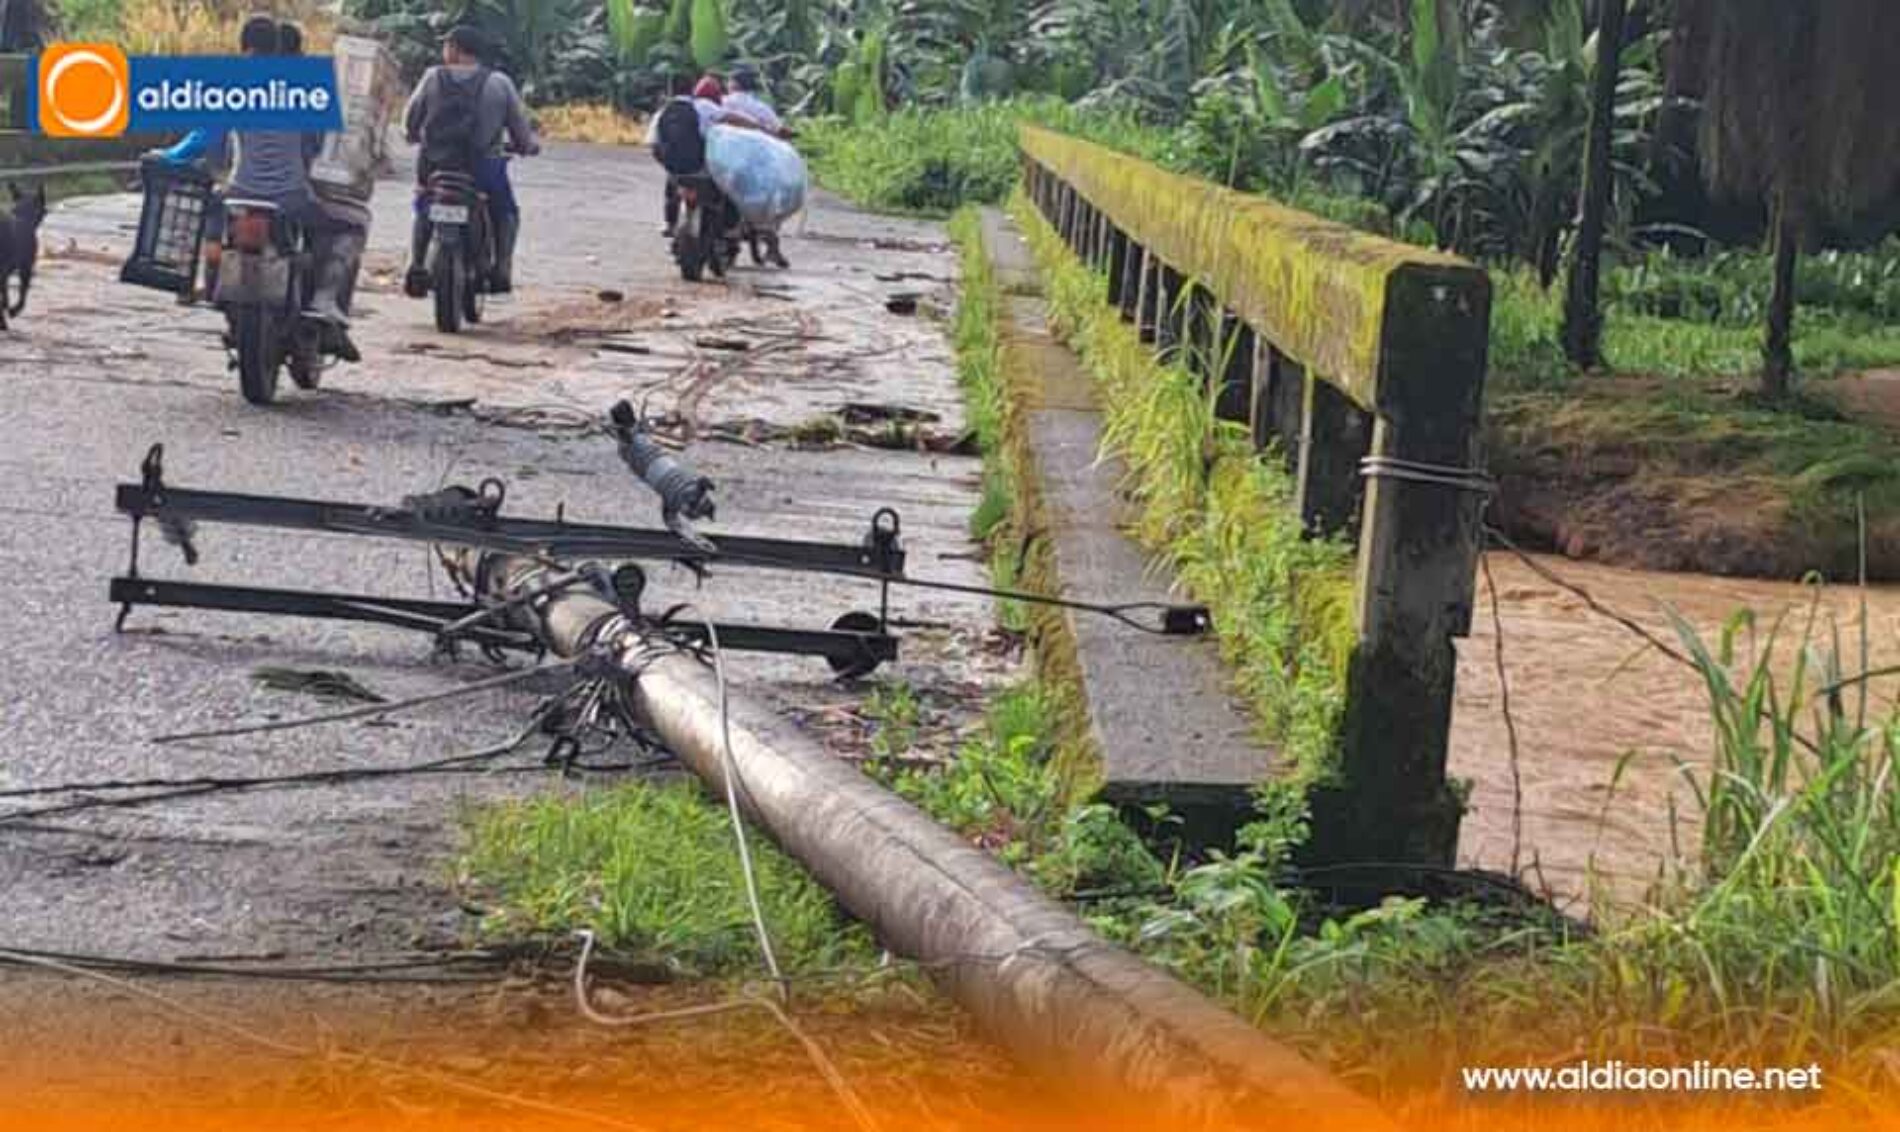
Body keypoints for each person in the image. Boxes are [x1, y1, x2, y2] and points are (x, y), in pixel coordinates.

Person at [151, 17, 362, 358]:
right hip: (292, 197)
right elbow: (317, 143)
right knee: (349, 226)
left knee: (212, 214)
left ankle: (204, 281)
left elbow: (207, 138)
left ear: (243, 45)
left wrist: (168, 156)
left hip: (239, 192)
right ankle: (326, 304)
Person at [402, 24, 540, 298]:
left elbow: (409, 122)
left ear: (454, 49)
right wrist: (528, 147)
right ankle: (502, 267)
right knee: (506, 211)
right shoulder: (500, 83)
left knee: (424, 204)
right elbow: (521, 133)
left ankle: (416, 263)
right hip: (484, 169)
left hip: (435, 166)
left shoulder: (432, 78)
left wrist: (413, 135)